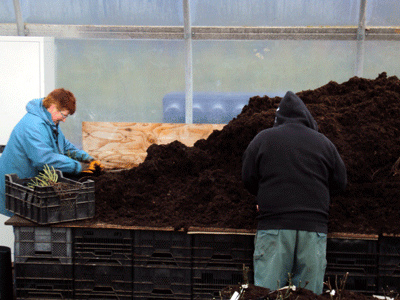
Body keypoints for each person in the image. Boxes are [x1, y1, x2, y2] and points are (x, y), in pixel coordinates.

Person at [242, 91, 347, 294]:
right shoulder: (324, 143)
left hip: (274, 226)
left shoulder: (263, 139)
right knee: (308, 295)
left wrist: (262, 198)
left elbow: (248, 178)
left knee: (268, 294)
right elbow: (340, 182)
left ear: (278, 118)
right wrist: (316, 199)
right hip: (313, 228)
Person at [0, 88, 103, 217]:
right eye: (64, 115)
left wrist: (88, 159)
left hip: (32, 184)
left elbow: (65, 146)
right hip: (19, 186)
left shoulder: (50, 121)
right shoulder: (33, 125)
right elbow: (44, 159)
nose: (64, 120)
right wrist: (80, 167)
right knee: (26, 225)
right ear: (53, 107)